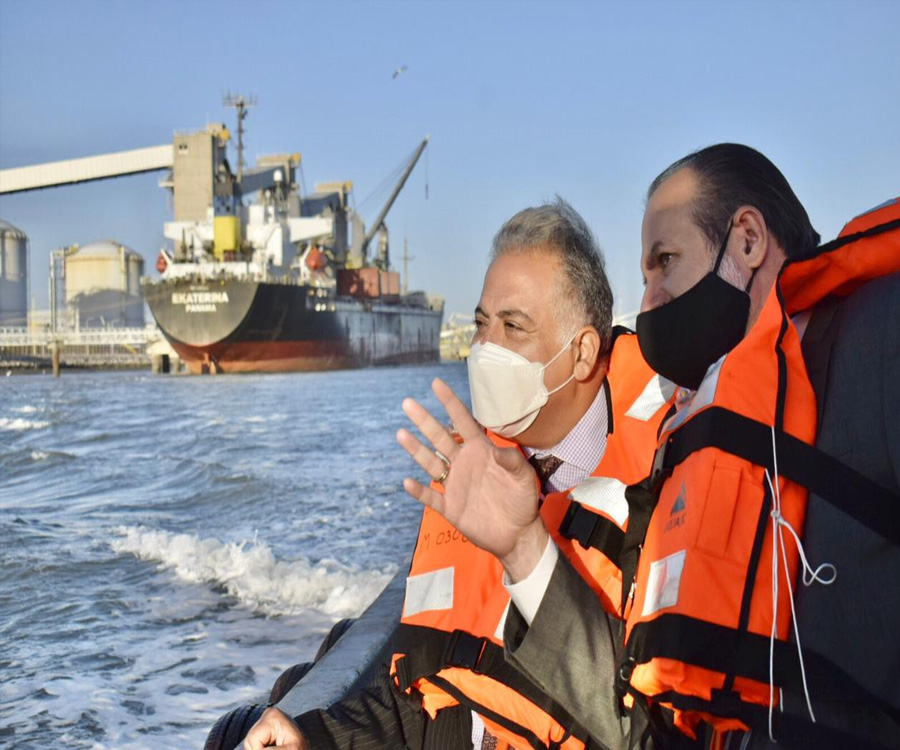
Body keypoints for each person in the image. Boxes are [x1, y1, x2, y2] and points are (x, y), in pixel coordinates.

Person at [397, 145, 900, 749]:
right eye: (645, 275)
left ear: (747, 240)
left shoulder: (877, 339)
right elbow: (643, 724)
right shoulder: (692, 434)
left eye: (666, 262)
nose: (651, 299)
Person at [243, 199, 675, 750]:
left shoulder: (665, 484)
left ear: (584, 352)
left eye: (512, 327)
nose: (484, 349)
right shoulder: (468, 470)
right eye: (480, 324)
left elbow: (644, 729)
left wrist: (525, 548)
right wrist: (314, 739)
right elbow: (420, 693)